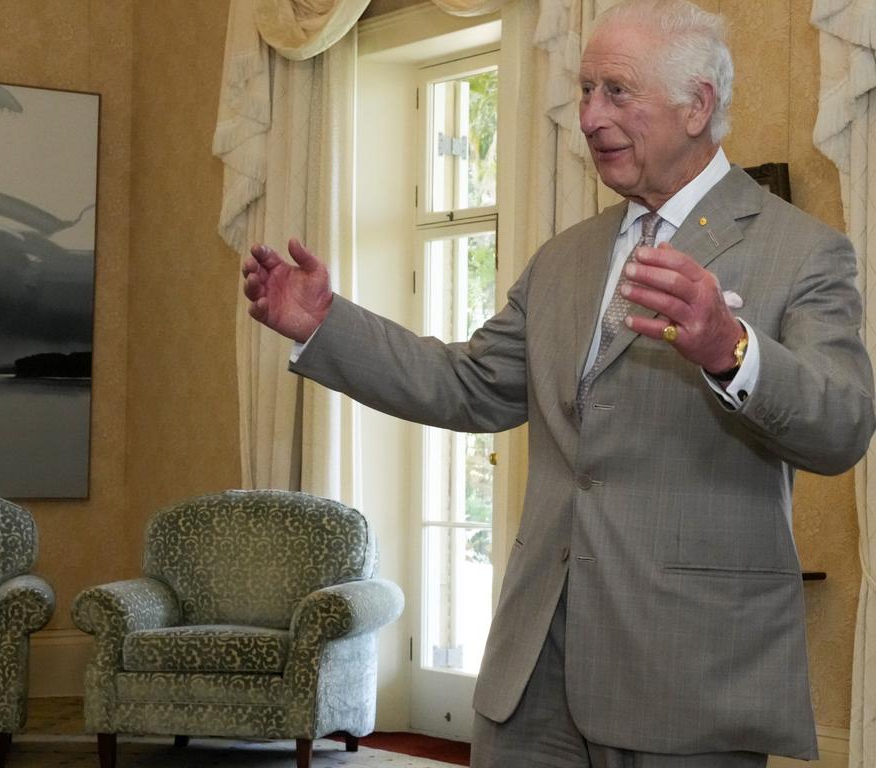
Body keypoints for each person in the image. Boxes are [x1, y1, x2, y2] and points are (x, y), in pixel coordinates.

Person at [241, 1, 876, 765]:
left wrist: (730, 349)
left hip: (688, 673)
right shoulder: (566, 258)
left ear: (697, 104)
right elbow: (470, 385)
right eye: (583, 89)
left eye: (616, 90)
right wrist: (325, 325)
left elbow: (841, 427)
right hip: (533, 670)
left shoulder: (804, 251)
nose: (588, 114)